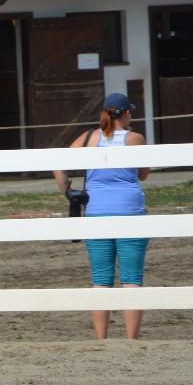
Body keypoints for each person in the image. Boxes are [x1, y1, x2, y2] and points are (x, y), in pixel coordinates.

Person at [53, 93, 150, 340]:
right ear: (125, 113)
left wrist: (69, 193)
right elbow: (143, 174)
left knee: (100, 279)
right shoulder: (135, 139)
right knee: (131, 278)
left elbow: (57, 164)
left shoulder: (88, 138)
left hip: (96, 211)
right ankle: (131, 338)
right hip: (129, 210)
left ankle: (101, 338)